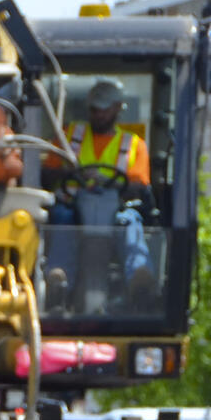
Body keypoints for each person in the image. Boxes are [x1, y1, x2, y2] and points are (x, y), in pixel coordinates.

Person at [47, 78, 154, 294]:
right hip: (73, 208)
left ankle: (139, 276)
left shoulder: (134, 144)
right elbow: (46, 171)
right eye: (94, 110)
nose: (98, 115)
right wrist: (71, 172)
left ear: (117, 108)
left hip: (114, 212)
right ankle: (58, 279)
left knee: (131, 221)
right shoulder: (68, 135)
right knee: (61, 217)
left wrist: (107, 182)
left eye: (104, 110)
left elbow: (139, 184)